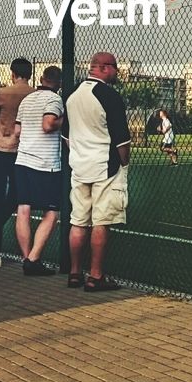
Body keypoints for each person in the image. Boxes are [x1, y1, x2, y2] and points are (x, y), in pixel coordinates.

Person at [62, 52, 129, 291]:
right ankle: (96, 276)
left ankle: (74, 273)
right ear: (103, 67)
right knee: (101, 221)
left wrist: (79, 154)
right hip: (105, 166)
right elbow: (121, 140)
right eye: (115, 67)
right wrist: (124, 164)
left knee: (78, 221)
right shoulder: (109, 96)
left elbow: (66, 136)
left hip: (79, 166)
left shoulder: (71, 95)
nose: (117, 71)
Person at [14, 66, 65, 276]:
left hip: (23, 159)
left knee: (23, 209)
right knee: (52, 211)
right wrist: (66, 120)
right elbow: (48, 124)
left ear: (42, 78)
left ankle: (27, 258)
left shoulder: (27, 100)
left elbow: (17, 131)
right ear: (59, 83)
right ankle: (34, 258)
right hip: (45, 163)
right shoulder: (55, 100)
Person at [0, 58, 34, 267]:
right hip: (21, 150)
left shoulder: (1, 94)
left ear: (12, 73)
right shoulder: (33, 95)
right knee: (16, 196)